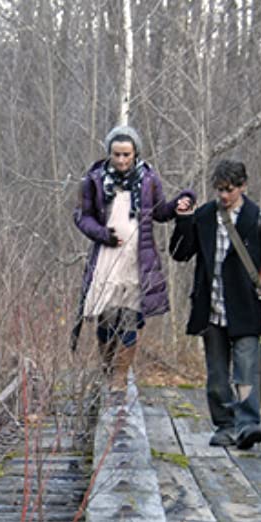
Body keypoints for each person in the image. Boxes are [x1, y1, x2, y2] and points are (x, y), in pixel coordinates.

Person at [170, 159, 261, 449]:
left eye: (229, 189)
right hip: (211, 307)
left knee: (245, 370)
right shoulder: (205, 216)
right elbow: (180, 253)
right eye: (219, 189)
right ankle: (225, 425)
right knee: (217, 375)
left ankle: (247, 425)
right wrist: (183, 220)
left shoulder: (257, 219)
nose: (224, 195)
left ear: (243, 186)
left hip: (245, 307)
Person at [72, 125, 193, 390]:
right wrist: (102, 234)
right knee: (106, 318)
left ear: (135, 153)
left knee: (129, 319)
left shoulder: (149, 179)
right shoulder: (94, 179)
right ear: (109, 153)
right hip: (106, 258)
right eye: (116, 154)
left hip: (137, 260)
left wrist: (179, 203)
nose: (121, 160)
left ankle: (120, 377)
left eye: (126, 154)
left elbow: (160, 212)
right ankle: (107, 368)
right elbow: (81, 216)